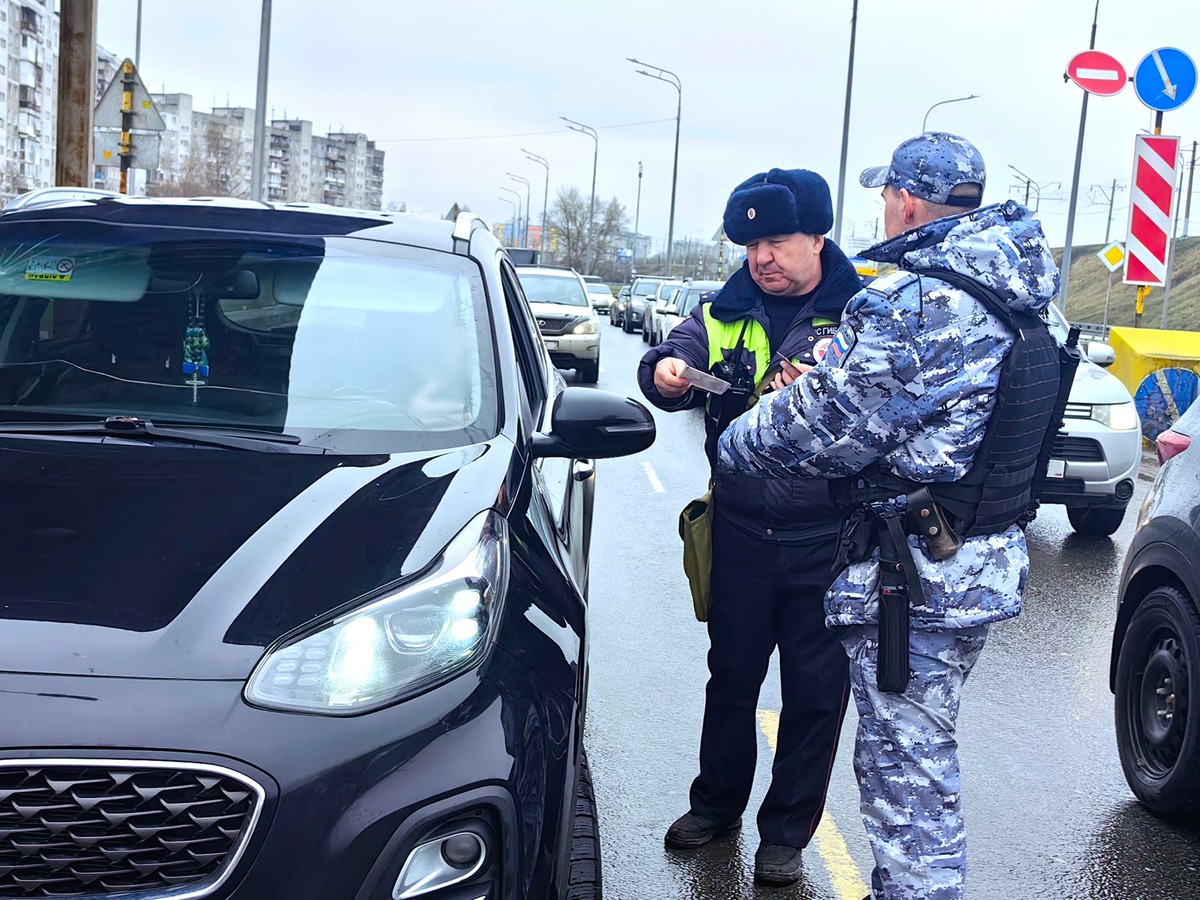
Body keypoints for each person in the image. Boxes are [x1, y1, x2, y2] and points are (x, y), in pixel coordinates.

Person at [717, 133, 1063, 899]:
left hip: (917, 579)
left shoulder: (922, 301)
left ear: (906, 200)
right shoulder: (1022, 286)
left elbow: (816, 429)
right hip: (977, 559)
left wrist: (743, 434)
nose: (884, 207)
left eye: (886, 196)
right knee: (920, 751)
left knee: (906, 774)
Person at [637, 168, 863, 886]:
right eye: (749, 243)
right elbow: (662, 360)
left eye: (776, 240)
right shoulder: (721, 309)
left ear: (818, 236)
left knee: (814, 695)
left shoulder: (864, 314)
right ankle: (716, 806)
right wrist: (669, 371)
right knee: (730, 679)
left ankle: (786, 834)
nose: (760, 257)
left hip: (830, 537)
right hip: (738, 528)